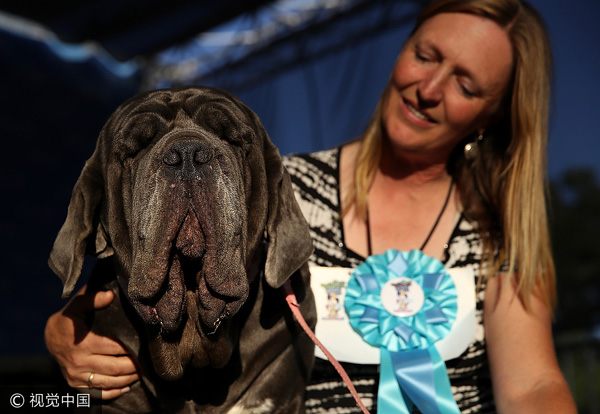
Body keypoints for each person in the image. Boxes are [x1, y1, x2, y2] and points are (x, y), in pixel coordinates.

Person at [45, 0, 577, 412]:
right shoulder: (280, 186)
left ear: (490, 116)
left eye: (465, 83)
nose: (429, 88)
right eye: (426, 55)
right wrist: (64, 334)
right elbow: (132, 274)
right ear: (403, 48)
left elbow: (531, 386)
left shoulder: (501, 229)